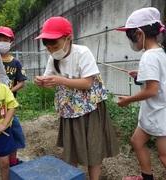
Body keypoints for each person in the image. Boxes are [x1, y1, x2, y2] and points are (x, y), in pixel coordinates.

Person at [34, 16, 119, 180]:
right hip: (69, 110)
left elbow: (87, 83)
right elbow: (49, 78)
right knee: (71, 147)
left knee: (93, 146)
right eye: (48, 48)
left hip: (90, 109)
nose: (52, 50)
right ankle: (73, 177)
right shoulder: (54, 58)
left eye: (55, 45)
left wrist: (60, 81)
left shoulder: (83, 53)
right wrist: (42, 82)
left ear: (68, 38)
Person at [116, 7, 166, 180]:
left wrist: (128, 100)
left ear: (138, 33)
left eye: (130, 37)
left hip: (161, 112)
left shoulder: (149, 56)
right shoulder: (160, 52)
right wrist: (141, 74)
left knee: (164, 156)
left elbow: (152, 90)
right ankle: (146, 177)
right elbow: (159, 78)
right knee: (137, 141)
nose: (131, 42)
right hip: (155, 110)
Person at [0, 26, 27, 166]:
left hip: (9, 105)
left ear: (11, 42)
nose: (1, 42)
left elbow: (22, 82)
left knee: (14, 132)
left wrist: (8, 92)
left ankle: (13, 161)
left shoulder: (15, 62)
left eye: (5, 40)